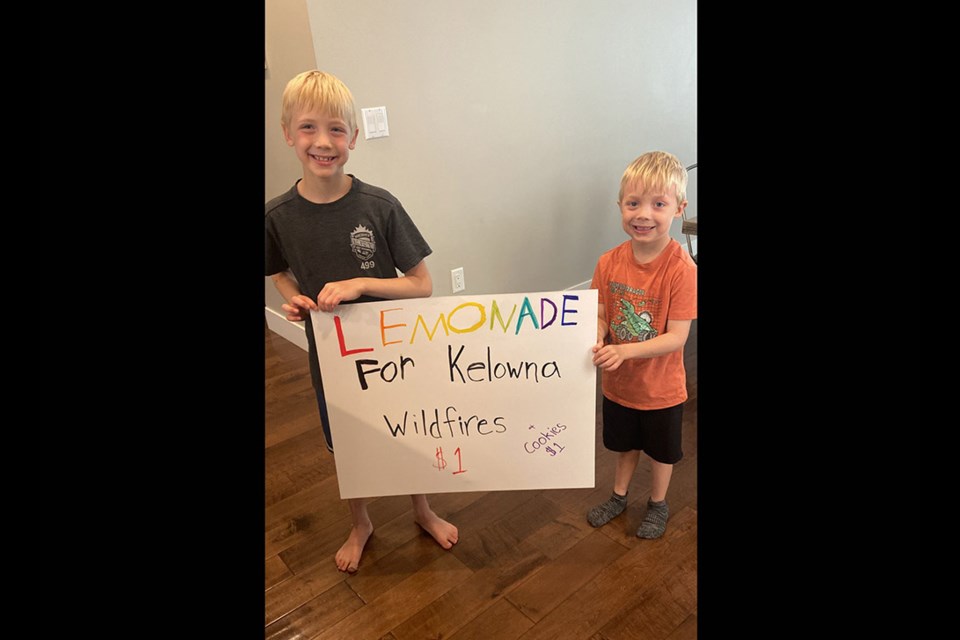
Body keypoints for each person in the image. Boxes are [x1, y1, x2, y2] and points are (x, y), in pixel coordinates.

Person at [265, 70, 458, 572]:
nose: (323, 142)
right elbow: (279, 273)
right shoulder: (277, 216)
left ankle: (422, 509)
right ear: (288, 133)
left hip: (393, 349)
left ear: (353, 137)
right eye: (308, 128)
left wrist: (360, 285)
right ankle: (362, 522)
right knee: (348, 441)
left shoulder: (379, 206)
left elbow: (421, 283)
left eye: (336, 129)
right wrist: (295, 299)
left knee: (407, 429)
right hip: (332, 357)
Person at [586, 151, 697, 539]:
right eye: (633, 203)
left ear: (679, 209)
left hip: (662, 390)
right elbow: (600, 312)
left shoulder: (682, 270)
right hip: (618, 386)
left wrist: (624, 351)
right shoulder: (607, 263)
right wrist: (598, 333)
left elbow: (677, 337)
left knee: (662, 452)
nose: (643, 214)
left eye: (658, 204)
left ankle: (658, 503)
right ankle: (618, 496)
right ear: (620, 206)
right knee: (624, 444)